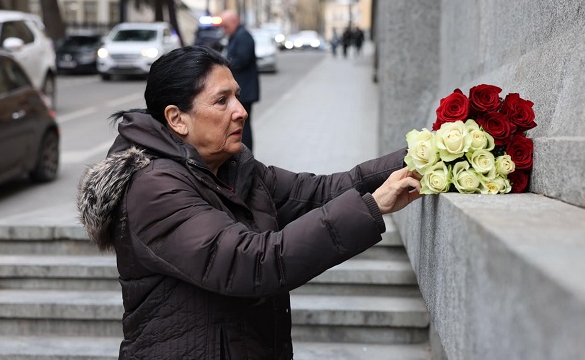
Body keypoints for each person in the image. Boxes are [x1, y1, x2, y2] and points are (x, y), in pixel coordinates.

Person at [76, 46, 423, 359]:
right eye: (221, 100)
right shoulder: (153, 188)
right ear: (177, 118)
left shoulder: (235, 167)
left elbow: (319, 192)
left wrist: (423, 156)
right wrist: (372, 207)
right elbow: (253, 261)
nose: (241, 111)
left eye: (237, 97)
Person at [220, 9, 259, 152]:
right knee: (241, 125)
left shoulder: (243, 37)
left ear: (234, 22)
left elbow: (241, 60)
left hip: (245, 90)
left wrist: (222, 63)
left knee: (243, 125)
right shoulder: (236, 35)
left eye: (226, 26)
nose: (224, 29)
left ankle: (246, 155)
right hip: (242, 89)